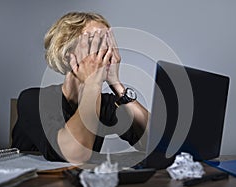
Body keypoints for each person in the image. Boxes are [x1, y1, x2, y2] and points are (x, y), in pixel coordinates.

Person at [12, 12, 149, 164]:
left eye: (108, 42)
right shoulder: (33, 100)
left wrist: (117, 84)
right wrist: (93, 83)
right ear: (67, 55)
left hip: (78, 186)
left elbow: (160, 142)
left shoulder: (106, 105)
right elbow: (75, 154)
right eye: (94, 42)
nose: (106, 51)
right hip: (31, 185)